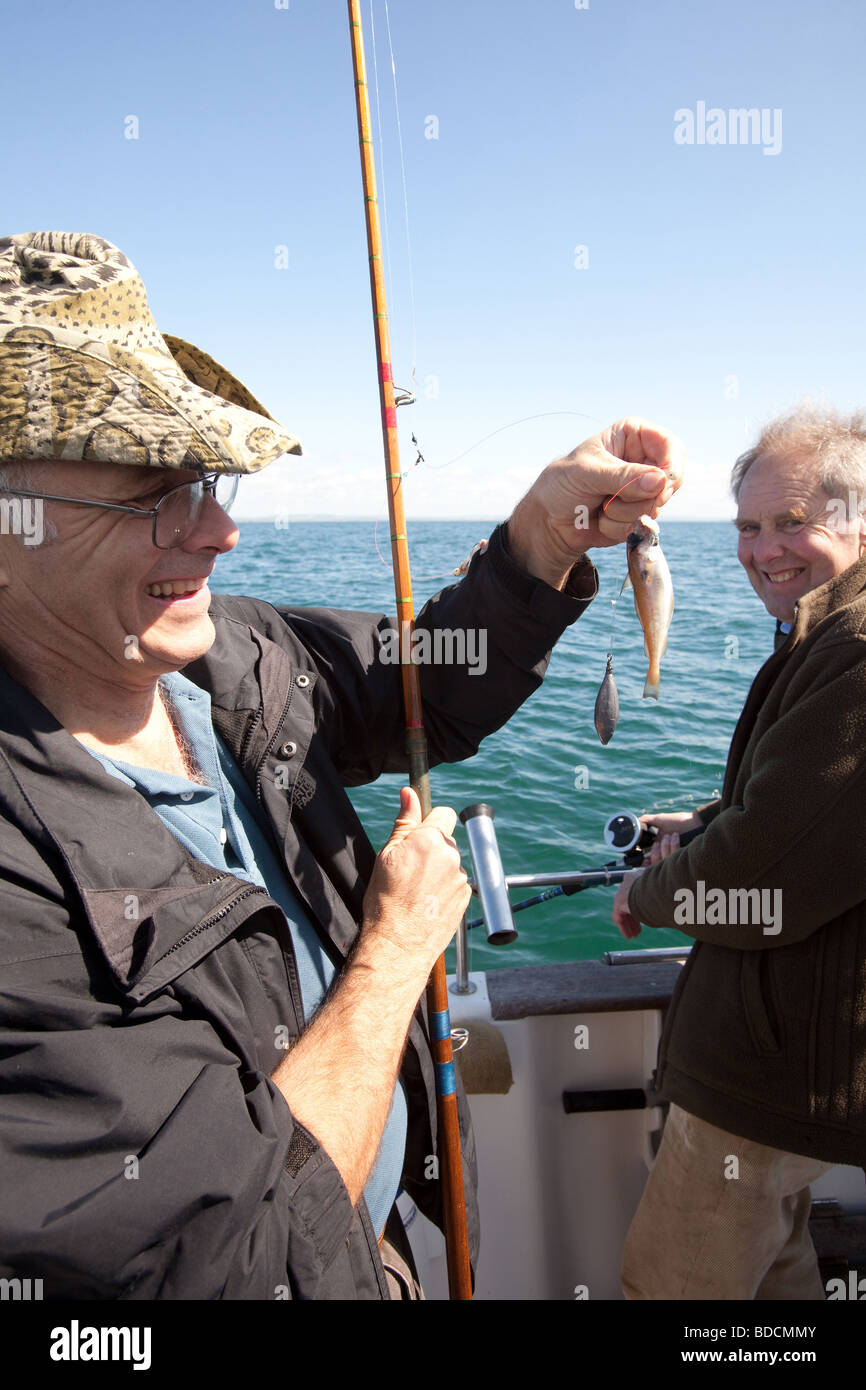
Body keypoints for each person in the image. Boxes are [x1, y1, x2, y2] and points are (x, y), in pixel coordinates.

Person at [0, 230, 682, 1300]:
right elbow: (230, 1257)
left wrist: (541, 539)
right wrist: (394, 951)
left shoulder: (234, 648)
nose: (220, 530)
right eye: (153, 491)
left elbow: (425, 689)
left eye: (209, 478)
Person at [612, 405, 866, 1301]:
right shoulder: (827, 631)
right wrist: (706, 823)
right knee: (779, 1281)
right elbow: (799, 803)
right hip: (794, 1056)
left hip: (772, 1074)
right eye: (749, 528)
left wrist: (648, 896)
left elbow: (761, 876)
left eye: (793, 523)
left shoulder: (859, 649)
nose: (764, 551)